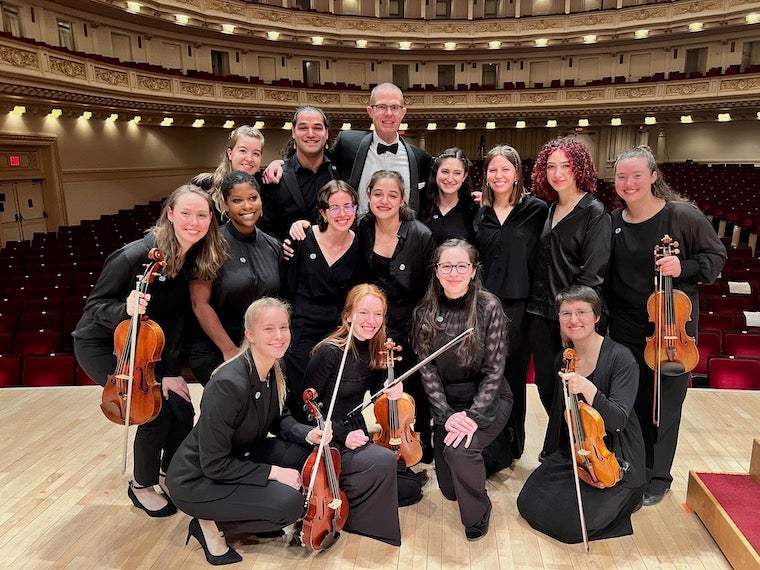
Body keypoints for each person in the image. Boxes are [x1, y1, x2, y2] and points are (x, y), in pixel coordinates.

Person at [72, 185, 228, 517]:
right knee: (153, 411)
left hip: (149, 347)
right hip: (105, 344)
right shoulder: (133, 256)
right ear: (169, 214)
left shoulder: (191, 257)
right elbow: (95, 306)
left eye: (201, 215)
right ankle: (141, 485)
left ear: (211, 219)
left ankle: (168, 472)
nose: (193, 222)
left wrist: (171, 372)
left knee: (182, 408)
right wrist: (125, 309)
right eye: (185, 213)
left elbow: (176, 320)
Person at [166, 298, 330, 565]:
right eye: (268, 329)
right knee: (290, 504)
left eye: (284, 327)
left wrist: (307, 433)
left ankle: (241, 513)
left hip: (234, 460)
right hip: (197, 479)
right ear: (250, 335)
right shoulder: (228, 384)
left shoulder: (276, 366)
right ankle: (209, 523)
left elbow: (278, 419)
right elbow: (214, 464)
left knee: (301, 455)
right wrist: (275, 473)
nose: (279, 336)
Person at [607, 146, 726, 506]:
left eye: (637, 175)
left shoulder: (682, 216)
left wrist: (684, 267)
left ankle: (659, 476)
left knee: (667, 407)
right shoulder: (614, 221)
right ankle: (636, 469)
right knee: (634, 404)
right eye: (622, 177)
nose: (629, 183)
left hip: (671, 332)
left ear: (654, 177)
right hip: (627, 329)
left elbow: (715, 257)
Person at [517, 285, 645, 544]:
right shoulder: (563, 359)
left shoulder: (622, 358)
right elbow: (559, 417)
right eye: (566, 314)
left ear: (597, 316)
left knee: (572, 526)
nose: (573, 320)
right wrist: (551, 458)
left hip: (615, 456)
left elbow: (618, 420)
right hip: (578, 452)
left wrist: (589, 389)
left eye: (581, 312)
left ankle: (631, 496)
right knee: (528, 501)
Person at [411, 239, 513, 541]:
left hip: (489, 398)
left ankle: (479, 510)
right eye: (446, 266)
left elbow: (495, 369)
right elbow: (427, 372)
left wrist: (473, 416)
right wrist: (445, 415)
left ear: (472, 271)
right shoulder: (425, 311)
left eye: (461, 266)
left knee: (459, 451)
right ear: (437, 271)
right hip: (450, 405)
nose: (453, 272)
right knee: (449, 489)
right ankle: (487, 458)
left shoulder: (488, 306)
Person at [302, 284, 403, 546]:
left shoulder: (373, 348)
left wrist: (393, 387)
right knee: (384, 461)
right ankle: (356, 517)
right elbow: (305, 410)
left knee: (409, 487)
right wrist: (344, 435)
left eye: (378, 314)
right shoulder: (329, 353)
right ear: (348, 315)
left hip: (356, 433)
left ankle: (350, 498)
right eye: (364, 313)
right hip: (328, 438)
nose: (372, 321)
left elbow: (383, 383)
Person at [527, 137, 612, 446]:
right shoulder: (550, 209)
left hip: (572, 318)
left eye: (566, 165)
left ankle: (572, 452)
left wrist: (571, 320)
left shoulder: (594, 211)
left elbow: (591, 275)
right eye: (551, 166)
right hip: (540, 312)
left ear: (579, 168)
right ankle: (559, 447)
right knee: (546, 387)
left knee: (573, 389)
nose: (558, 173)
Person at [473, 145, 547, 461]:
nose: (499, 175)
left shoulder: (538, 209)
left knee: (513, 377)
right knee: (484, 375)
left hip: (519, 307)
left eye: (505, 169)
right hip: (482, 307)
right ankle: (487, 441)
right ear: (486, 175)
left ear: (517, 173)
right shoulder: (480, 212)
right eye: (493, 170)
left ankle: (513, 444)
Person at [358, 169, 435, 462]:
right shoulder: (362, 228)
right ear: (368, 196)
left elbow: (429, 287)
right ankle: (386, 442)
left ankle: (422, 441)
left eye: (392, 195)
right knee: (379, 386)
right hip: (374, 324)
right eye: (378, 194)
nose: (384, 200)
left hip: (412, 322)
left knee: (416, 385)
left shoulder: (420, 234)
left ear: (403, 199)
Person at [262, 83, 431, 215]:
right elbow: (317, 155)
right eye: (381, 107)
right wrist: (282, 164)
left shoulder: (420, 158)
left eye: (394, 107)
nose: (388, 114)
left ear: (403, 112)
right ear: (370, 111)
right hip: (358, 241)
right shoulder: (349, 143)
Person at [187, 171, 281, 385]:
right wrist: (230, 351)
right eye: (237, 200)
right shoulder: (211, 245)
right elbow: (199, 304)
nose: (247, 206)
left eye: (252, 198)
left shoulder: (273, 245)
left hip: (259, 346)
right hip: (217, 346)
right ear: (226, 205)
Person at [281, 180, 362, 418]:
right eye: (334, 207)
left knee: (332, 392)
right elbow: (288, 286)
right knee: (302, 393)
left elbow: (355, 292)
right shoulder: (302, 237)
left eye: (348, 206)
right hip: (303, 324)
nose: (342, 213)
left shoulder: (358, 242)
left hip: (336, 329)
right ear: (323, 212)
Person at [258, 106, 338, 240]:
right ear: (293, 132)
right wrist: (282, 249)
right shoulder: (276, 178)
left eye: (317, 128)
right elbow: (266, 229)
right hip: (291, 258)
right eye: (303, 128)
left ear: (327, 133)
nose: (311, 134)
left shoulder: (341, 171)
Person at [193, 125, 265, 214]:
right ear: (230, 153)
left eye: (256, 153)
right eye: (243, 151)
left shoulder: (266, 187)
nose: (249, 159)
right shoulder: (203, 185)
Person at [419, 147, 478, 246]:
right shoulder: (419, 204)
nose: (450, 179)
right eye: (445, 172)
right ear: (436, 172)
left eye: (457, 173)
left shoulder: (473, 211)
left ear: (464, 176)